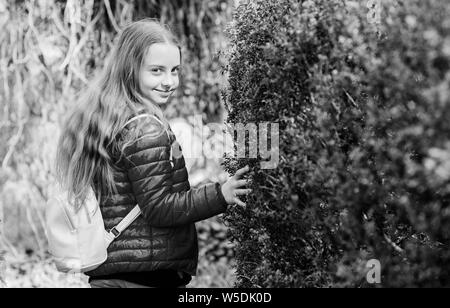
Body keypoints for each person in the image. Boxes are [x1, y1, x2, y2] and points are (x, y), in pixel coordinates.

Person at [54, 18, 252, 288]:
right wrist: (220, 195)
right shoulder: (145, 127)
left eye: (174, 70)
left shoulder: (111, 119)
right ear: (130, 69)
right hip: (145, 278)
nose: (169, 81)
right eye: (157, 71)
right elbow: (159, 208)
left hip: (117, 274)